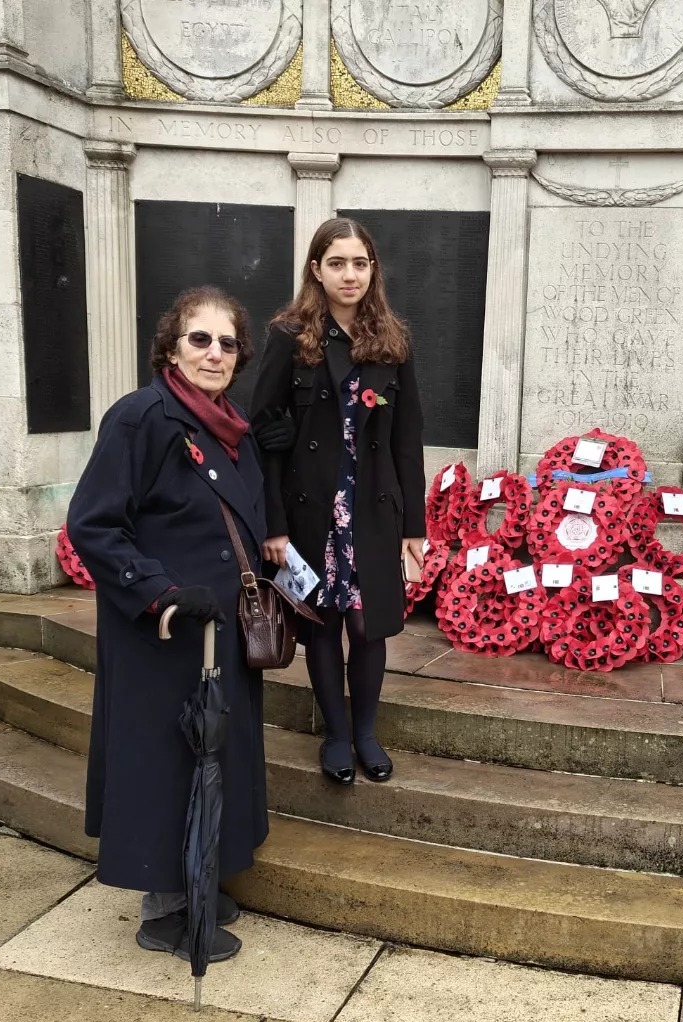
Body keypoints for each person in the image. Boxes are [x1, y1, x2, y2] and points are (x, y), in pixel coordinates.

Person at [67, 286, 268, 963]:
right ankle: (164, 910)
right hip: (163, 631)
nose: (214, 353)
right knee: (166, 762)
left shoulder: (229, 425)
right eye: (199, 339)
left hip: (219, 630)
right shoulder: (141, 416)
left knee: (214, 755)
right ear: (172, 348)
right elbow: (94, 524)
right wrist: (160, 592)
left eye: (227, 342)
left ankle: (199, 876)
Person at [251, 217, 426, 785]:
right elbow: (263, 429)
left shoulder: (393, 342)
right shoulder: (288, 335)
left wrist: (414, 526)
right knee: (323, 624)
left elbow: (408, 439)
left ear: (372, 269)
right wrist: (273, 524)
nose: (349, 274)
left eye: (359, 263)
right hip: (310, 510)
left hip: (374, 508)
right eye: (337, 263)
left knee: (368, 623)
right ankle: (336, 735)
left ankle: (367, 732)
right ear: (315, 269)